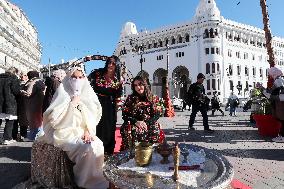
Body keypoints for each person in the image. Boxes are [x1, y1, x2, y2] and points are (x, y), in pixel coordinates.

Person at [38, 67, 108, 188]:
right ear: (69, 78)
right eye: (74, 77)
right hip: (64, 133)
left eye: (80, 77)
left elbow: (93, 117)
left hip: (83, 131)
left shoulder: (88, 94)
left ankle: (97, 180)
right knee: (86, 148)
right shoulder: (62, 92)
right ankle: (84, 182)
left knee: (97, 144)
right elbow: (56, 121)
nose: (77, 80)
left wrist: (87, 131)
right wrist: (72, 104)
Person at [89, 55, 123, 155]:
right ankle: (95, 153)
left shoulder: (118, 80)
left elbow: (118, 96)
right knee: (97, 127)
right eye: (109, 62)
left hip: (110, 106)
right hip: (96, 103)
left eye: (113, 63)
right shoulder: (97, 73)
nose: (110, 65)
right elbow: (86, 82)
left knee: (109, 129)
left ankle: (108, 153)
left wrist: (115, 113)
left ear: (117, 65)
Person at [120, 76, 164, 151]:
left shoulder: (153, 98)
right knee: (126, 128)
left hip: (149, 122)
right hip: (134, 122)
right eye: (135, 85)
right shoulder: (130, 98)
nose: (138, 87)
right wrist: (136, 122)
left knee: (154, 128)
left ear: (145, 85)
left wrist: (145, 123)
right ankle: (132, 152)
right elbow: (125, 115)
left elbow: (157, 115)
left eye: (140, 84)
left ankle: (151, 151)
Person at [20, 71, 45, 140]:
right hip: (38, 104)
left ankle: (35, 136)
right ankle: (36, 136)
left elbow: (28, 93)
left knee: (35, 121)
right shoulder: (40, 81)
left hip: (32, 104)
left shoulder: (32, 82)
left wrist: (22, 92)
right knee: (38, 120)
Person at [0, 67, 20, 145]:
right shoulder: (13, 78)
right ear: (14, 72)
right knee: (10, 121)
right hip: (9, 103)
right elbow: (16, 91)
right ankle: (7, 138)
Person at [265, 67, 284, 142]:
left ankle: (282, 137)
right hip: (280, 104)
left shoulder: (278, 80)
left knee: (283, 120)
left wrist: (273, 97)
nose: (269, 76)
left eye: (269, 74)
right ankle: (282, 136)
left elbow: (282, 94)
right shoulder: (280, 79)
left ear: (273, 73)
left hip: (281, 105)